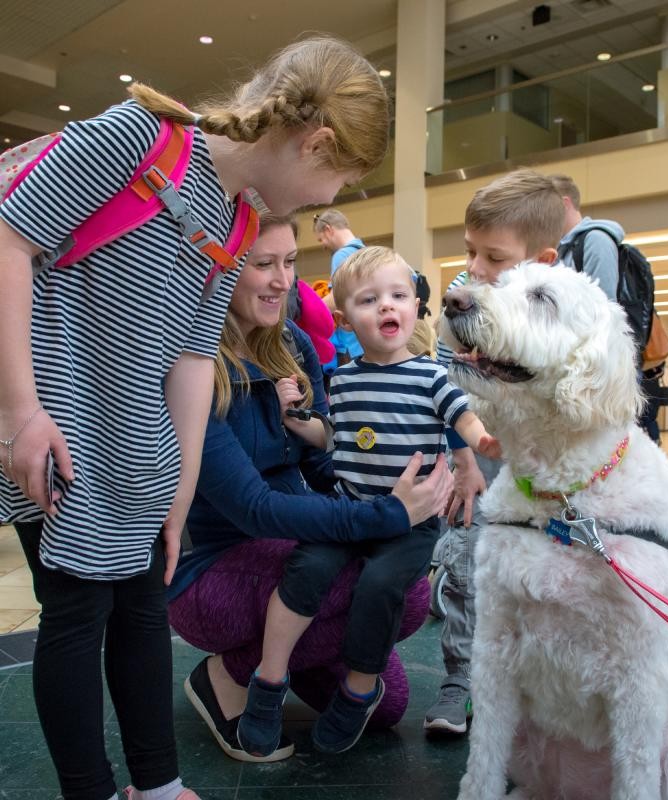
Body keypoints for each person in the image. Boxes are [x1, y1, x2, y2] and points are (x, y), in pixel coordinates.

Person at [0, 35, 392, 800]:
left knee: (143, 606)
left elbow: (187, 360)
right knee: (76, 613)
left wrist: (177, 499)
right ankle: (90, 788)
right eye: (334, 177)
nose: (323, 200)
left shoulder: (240, 222)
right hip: (54, 418)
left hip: (134, 438)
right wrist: (20, 412)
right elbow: (9, 239)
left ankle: (157, 784)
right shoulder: (137, 136)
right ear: (312, 142)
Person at [168, 218, 454, 764]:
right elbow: (254, 510)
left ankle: (284, 653)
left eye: (290, 262)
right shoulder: (197, 365)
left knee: (387, 704)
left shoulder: (294, 344)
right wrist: (385, 514)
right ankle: (225, 676)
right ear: (219, 269)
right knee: (409, 590)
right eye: (262, 264)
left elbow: (326, 463)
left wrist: (391, 478)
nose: (283, 281)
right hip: (211, 568)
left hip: (294, 544)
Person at [234, 245, 499, 758]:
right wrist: (294, 418)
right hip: (349, 508)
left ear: (415, 307)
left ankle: (359, 688)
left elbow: (461, 417)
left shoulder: (431, 376)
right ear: (344, 319)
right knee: (305, 567)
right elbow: (334, 436)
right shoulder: (343, 380)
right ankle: (269, 680)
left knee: (380, 585)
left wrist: (479, 445)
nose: (386, 307)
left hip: (411, 524)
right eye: (369, 299)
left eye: (398, 296)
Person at [425, 169, 564, 735]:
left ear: (543, 261)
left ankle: (535, 690)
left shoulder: (565, 314)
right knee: (468, 559)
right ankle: (462, 678)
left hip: (542, 472)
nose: (475, 269)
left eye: (495, 257)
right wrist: (463, 458)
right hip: (480, 458)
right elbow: (445, 383)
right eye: (470, 252)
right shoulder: (462, 296)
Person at [549, 173, 621, 301]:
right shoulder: (560, 248)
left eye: (545, 208)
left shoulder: (597, 241)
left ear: (564, 204)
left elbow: (604, 308)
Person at [313, 208, 365, 368]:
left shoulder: (341, 255)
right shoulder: (366, 253)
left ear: (328, 230)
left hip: (349, 346)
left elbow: (337, 298)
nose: (323, 246)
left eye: (321, 239)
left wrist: (310, 311)